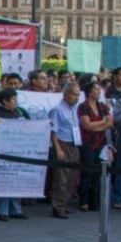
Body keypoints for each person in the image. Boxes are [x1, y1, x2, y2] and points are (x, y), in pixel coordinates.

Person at [0, 88, 29, 221]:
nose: (15, 102)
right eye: (13, 100)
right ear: (5, 101)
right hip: (2, 153)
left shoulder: (19, 112)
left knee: (16, 180)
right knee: (3, 181)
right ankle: (3, 210)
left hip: (17, 151)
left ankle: (16, 209)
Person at [77, 81, 113, 212]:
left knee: (99, 172)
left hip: (101, 142)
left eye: (99, 89)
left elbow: (110, 122)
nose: (99, 92)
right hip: (88, 143)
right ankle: (84, 201)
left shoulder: (102, 106)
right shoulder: (83, 107)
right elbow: (86, 125)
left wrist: (98, 125)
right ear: (90, 92)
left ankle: (95, 201)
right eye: (96, 89)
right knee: (87, 172)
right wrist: (102, 122)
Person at [49, 82, 82, 219]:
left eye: (78, 94)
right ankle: (58, 207)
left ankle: (65, 203)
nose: (76, 97)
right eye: (74, 94)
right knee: (62, 178)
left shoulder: (73, 109)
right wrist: (58, 149)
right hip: (63, 144)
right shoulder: (57, 110)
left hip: (74, 144)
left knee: (72, 177)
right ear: (66, 94)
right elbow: (53, 132)